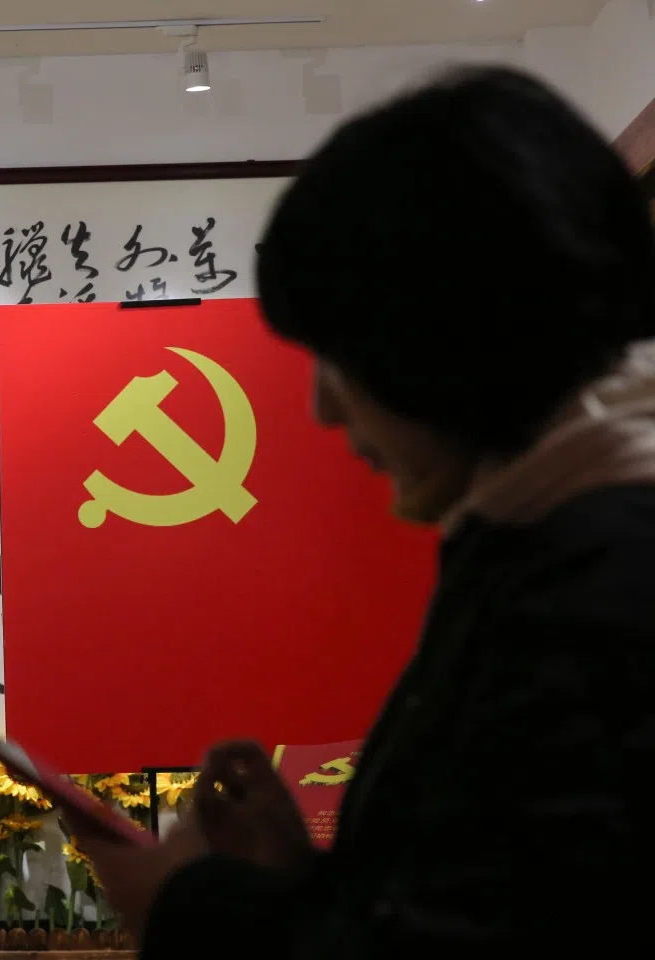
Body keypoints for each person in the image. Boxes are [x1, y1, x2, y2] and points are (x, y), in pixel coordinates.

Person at [82, 66, 655, 956]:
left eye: (340, 360)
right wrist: (305, 875)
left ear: (442, 346)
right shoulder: (548, 535)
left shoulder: (609, 587)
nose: (322, 411)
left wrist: (185, 910)